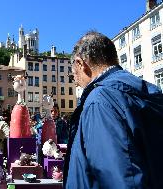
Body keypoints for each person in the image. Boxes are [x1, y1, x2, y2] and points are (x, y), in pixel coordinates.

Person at [63, 31, 163, 189]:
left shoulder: (100, 101)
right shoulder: (148, 91)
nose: (75, 81)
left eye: (73, 75)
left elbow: (119, 177)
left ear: (80, 64)